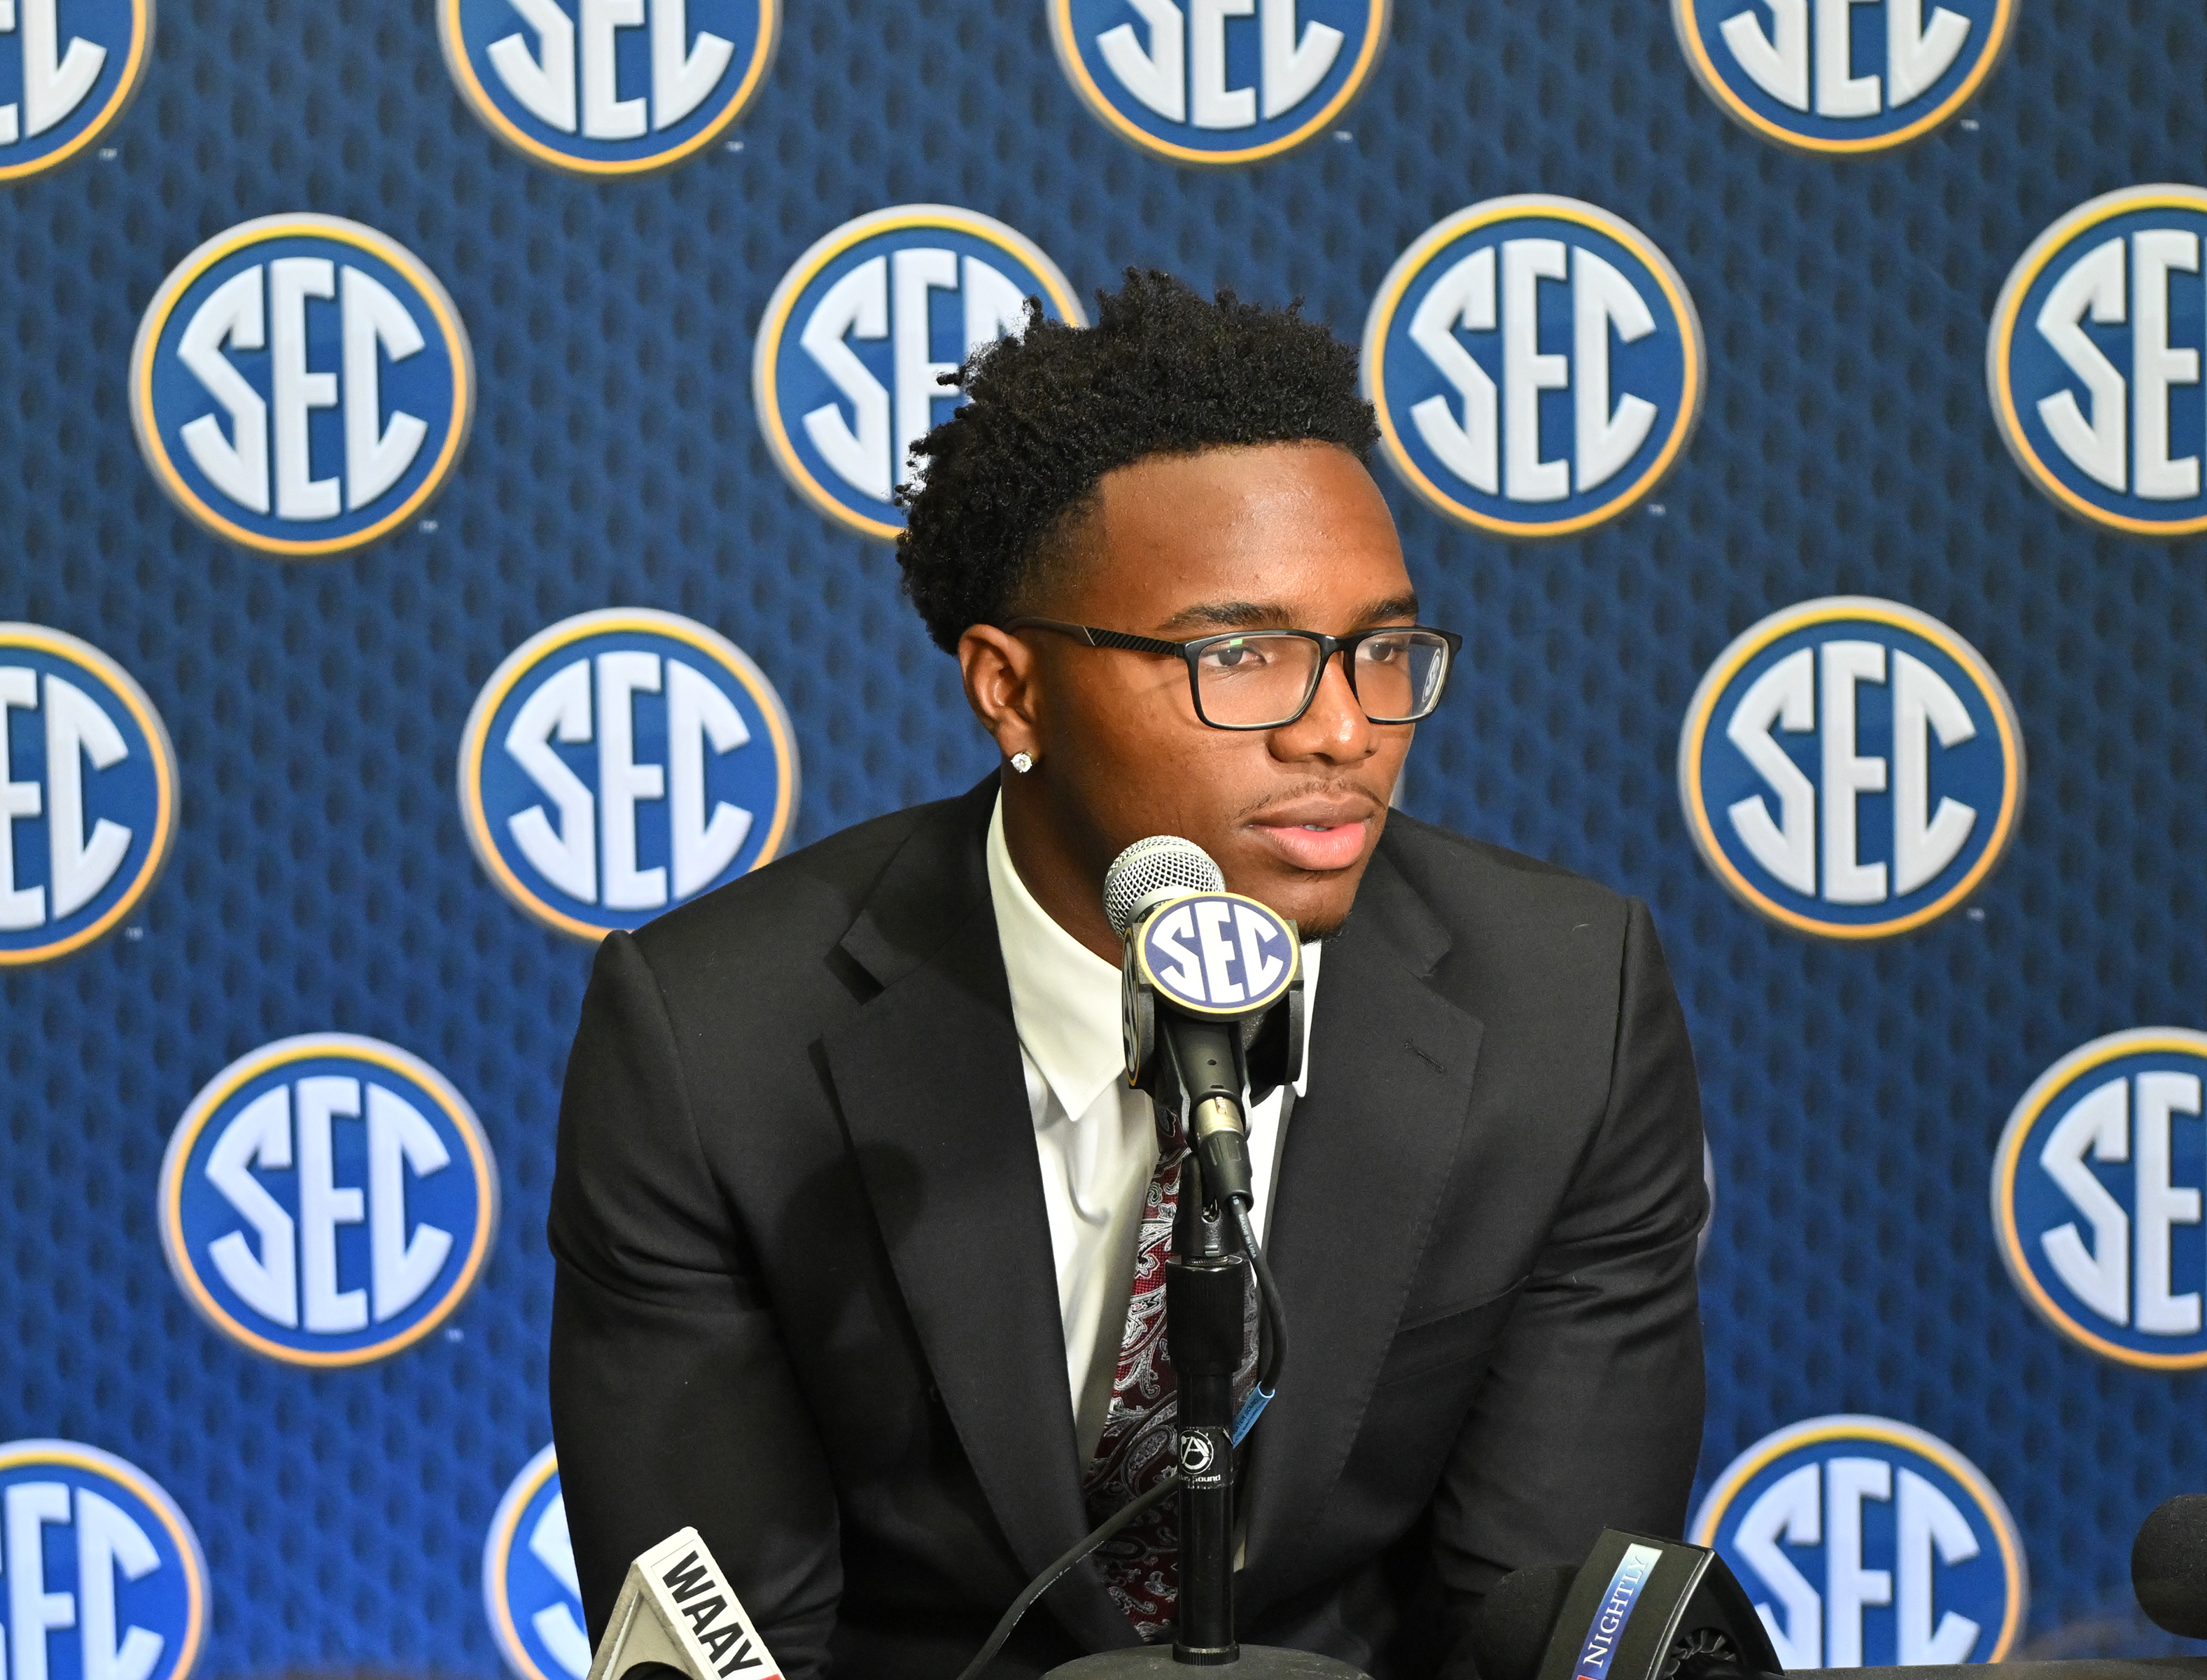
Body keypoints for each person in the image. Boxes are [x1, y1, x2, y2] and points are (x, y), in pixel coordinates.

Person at [549, 272, 1707, 1680]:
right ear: (1012, 690)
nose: (1343, 729)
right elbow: (732, 1649)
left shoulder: (1563, 1011)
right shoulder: (715, 1041)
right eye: (1239, 654)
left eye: (1379, 650)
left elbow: (1536, 1632)